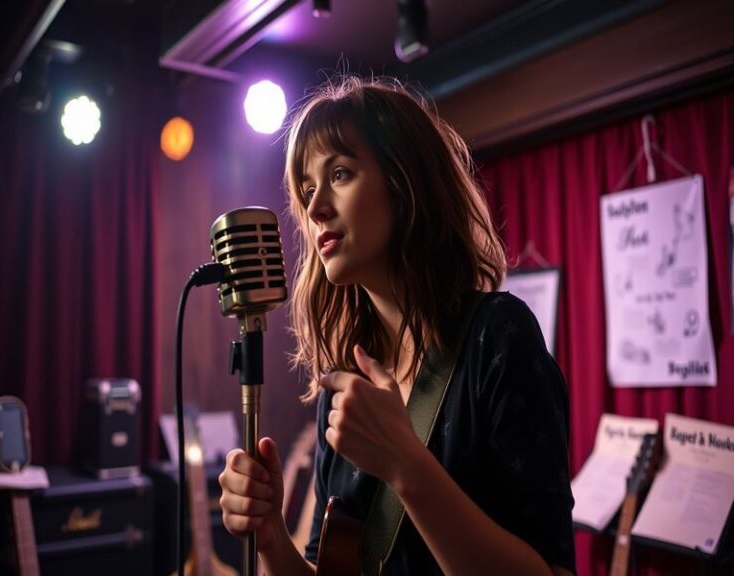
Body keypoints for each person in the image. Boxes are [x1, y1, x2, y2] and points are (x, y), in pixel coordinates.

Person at [218, 76, 575, 576]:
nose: (315, 207)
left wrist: (408, 467)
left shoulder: (499, 337)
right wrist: (273, 537)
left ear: (406, 182)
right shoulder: (344, 390)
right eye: (306, 190)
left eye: (339, 173)